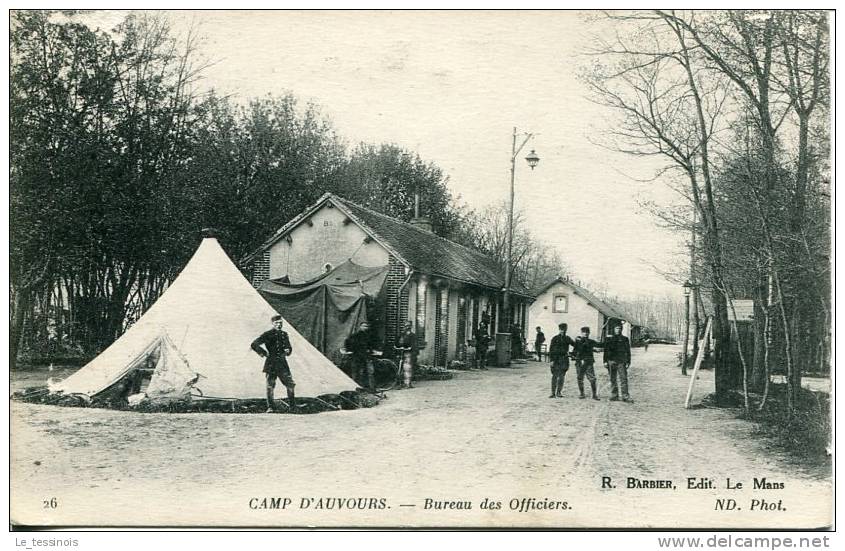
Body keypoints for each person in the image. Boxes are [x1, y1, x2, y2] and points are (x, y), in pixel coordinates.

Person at [251, 314, 295, 413]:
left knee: (290, 384)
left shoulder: (284, 334)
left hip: (283, 363)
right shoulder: (268, 334)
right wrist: (263, 353)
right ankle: (270, 407)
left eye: (280, 323)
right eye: (277, 323)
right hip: (271, 363)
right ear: (272, 323)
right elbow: (254, 344)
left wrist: (288, 350)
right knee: (270, 385)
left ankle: (292, 407)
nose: (279, 325)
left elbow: (289, 347)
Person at [572, 326, 603, 401]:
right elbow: (575, 351)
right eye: (583, 332)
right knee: (580, 378)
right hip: (579, 362)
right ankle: (582, 394)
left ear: (589, 333)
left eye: (587, 332)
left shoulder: (591, 341)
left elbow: (600, 345)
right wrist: (574, 356)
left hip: (588, 362)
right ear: (581, 333)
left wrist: (597, 348)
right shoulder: (578, 341)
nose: (585, 334)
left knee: (592, 378)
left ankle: (594, 395)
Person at [604, 324, 633, 403]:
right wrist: (605, 361)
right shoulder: (609, 339)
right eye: (616, 328)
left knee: (623, 379)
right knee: (613, 379)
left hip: (621, 361)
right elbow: (606, 350)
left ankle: (625, 396)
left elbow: (628, 351)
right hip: (611, 361)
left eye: (620, 328)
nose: (618, 330)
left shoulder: (625, 339)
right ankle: (614, 395)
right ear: (614, 329)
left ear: (621, 329)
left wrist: (628, 361)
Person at [345, 321, 376, 392]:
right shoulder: (355, 335)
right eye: (364, 326)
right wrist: (350, 350)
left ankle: (372, 388)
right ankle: (355, 388)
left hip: (367, 356)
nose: (365, 328)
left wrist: (370, 350)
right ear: (360, 327)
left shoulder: (370, 335)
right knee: (357, 373)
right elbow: (348, 342)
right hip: (357, 356)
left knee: (370, 372)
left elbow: (371, 345)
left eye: (367, 326)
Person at [547, 323, 575, 398]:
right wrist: (551, 360)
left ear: (566, 330)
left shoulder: (567, 338)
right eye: (561, 329)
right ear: (559, 329)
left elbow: (575, 345)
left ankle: (559, 392)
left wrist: (573, 353)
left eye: (564, 329)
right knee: (555, 376)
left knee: (562, 376)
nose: (563, 331)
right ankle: (553, 393)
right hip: (556, 359)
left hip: (564, 359)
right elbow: (551, 350)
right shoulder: (555, 338)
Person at [396, 321, 417, 389]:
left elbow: (414, 345)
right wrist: (398, 347)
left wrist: (410, 348)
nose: (407, 327)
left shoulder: (413, 335)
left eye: (409, 326)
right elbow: (397, 343)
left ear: (411, 327)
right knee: (399, 368)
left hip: (408, 353)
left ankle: (407, 383)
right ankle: (400, 383)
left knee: (407, 368)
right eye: (406, 326)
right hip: (401, 352)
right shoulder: (401, 335)